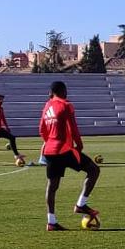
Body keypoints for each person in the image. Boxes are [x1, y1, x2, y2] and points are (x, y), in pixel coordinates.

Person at [40, 81, 101, 231]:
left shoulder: (47, 107)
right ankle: (81, 204)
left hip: (50, 150)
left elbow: (42, 130)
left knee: (52, 186)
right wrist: (79, 146)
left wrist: (50, 142)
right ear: (61, 91)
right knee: (94, 170)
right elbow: (74, 128)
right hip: (65, 149)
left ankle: (51, 222)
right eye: (65, 90)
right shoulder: (66, 105)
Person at [0, 94, 23, 168]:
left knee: (12, 137)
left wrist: (7, 127)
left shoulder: (1, 109)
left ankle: (16, 155)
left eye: (2, 100)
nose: (1, 101)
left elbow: (3, 118)